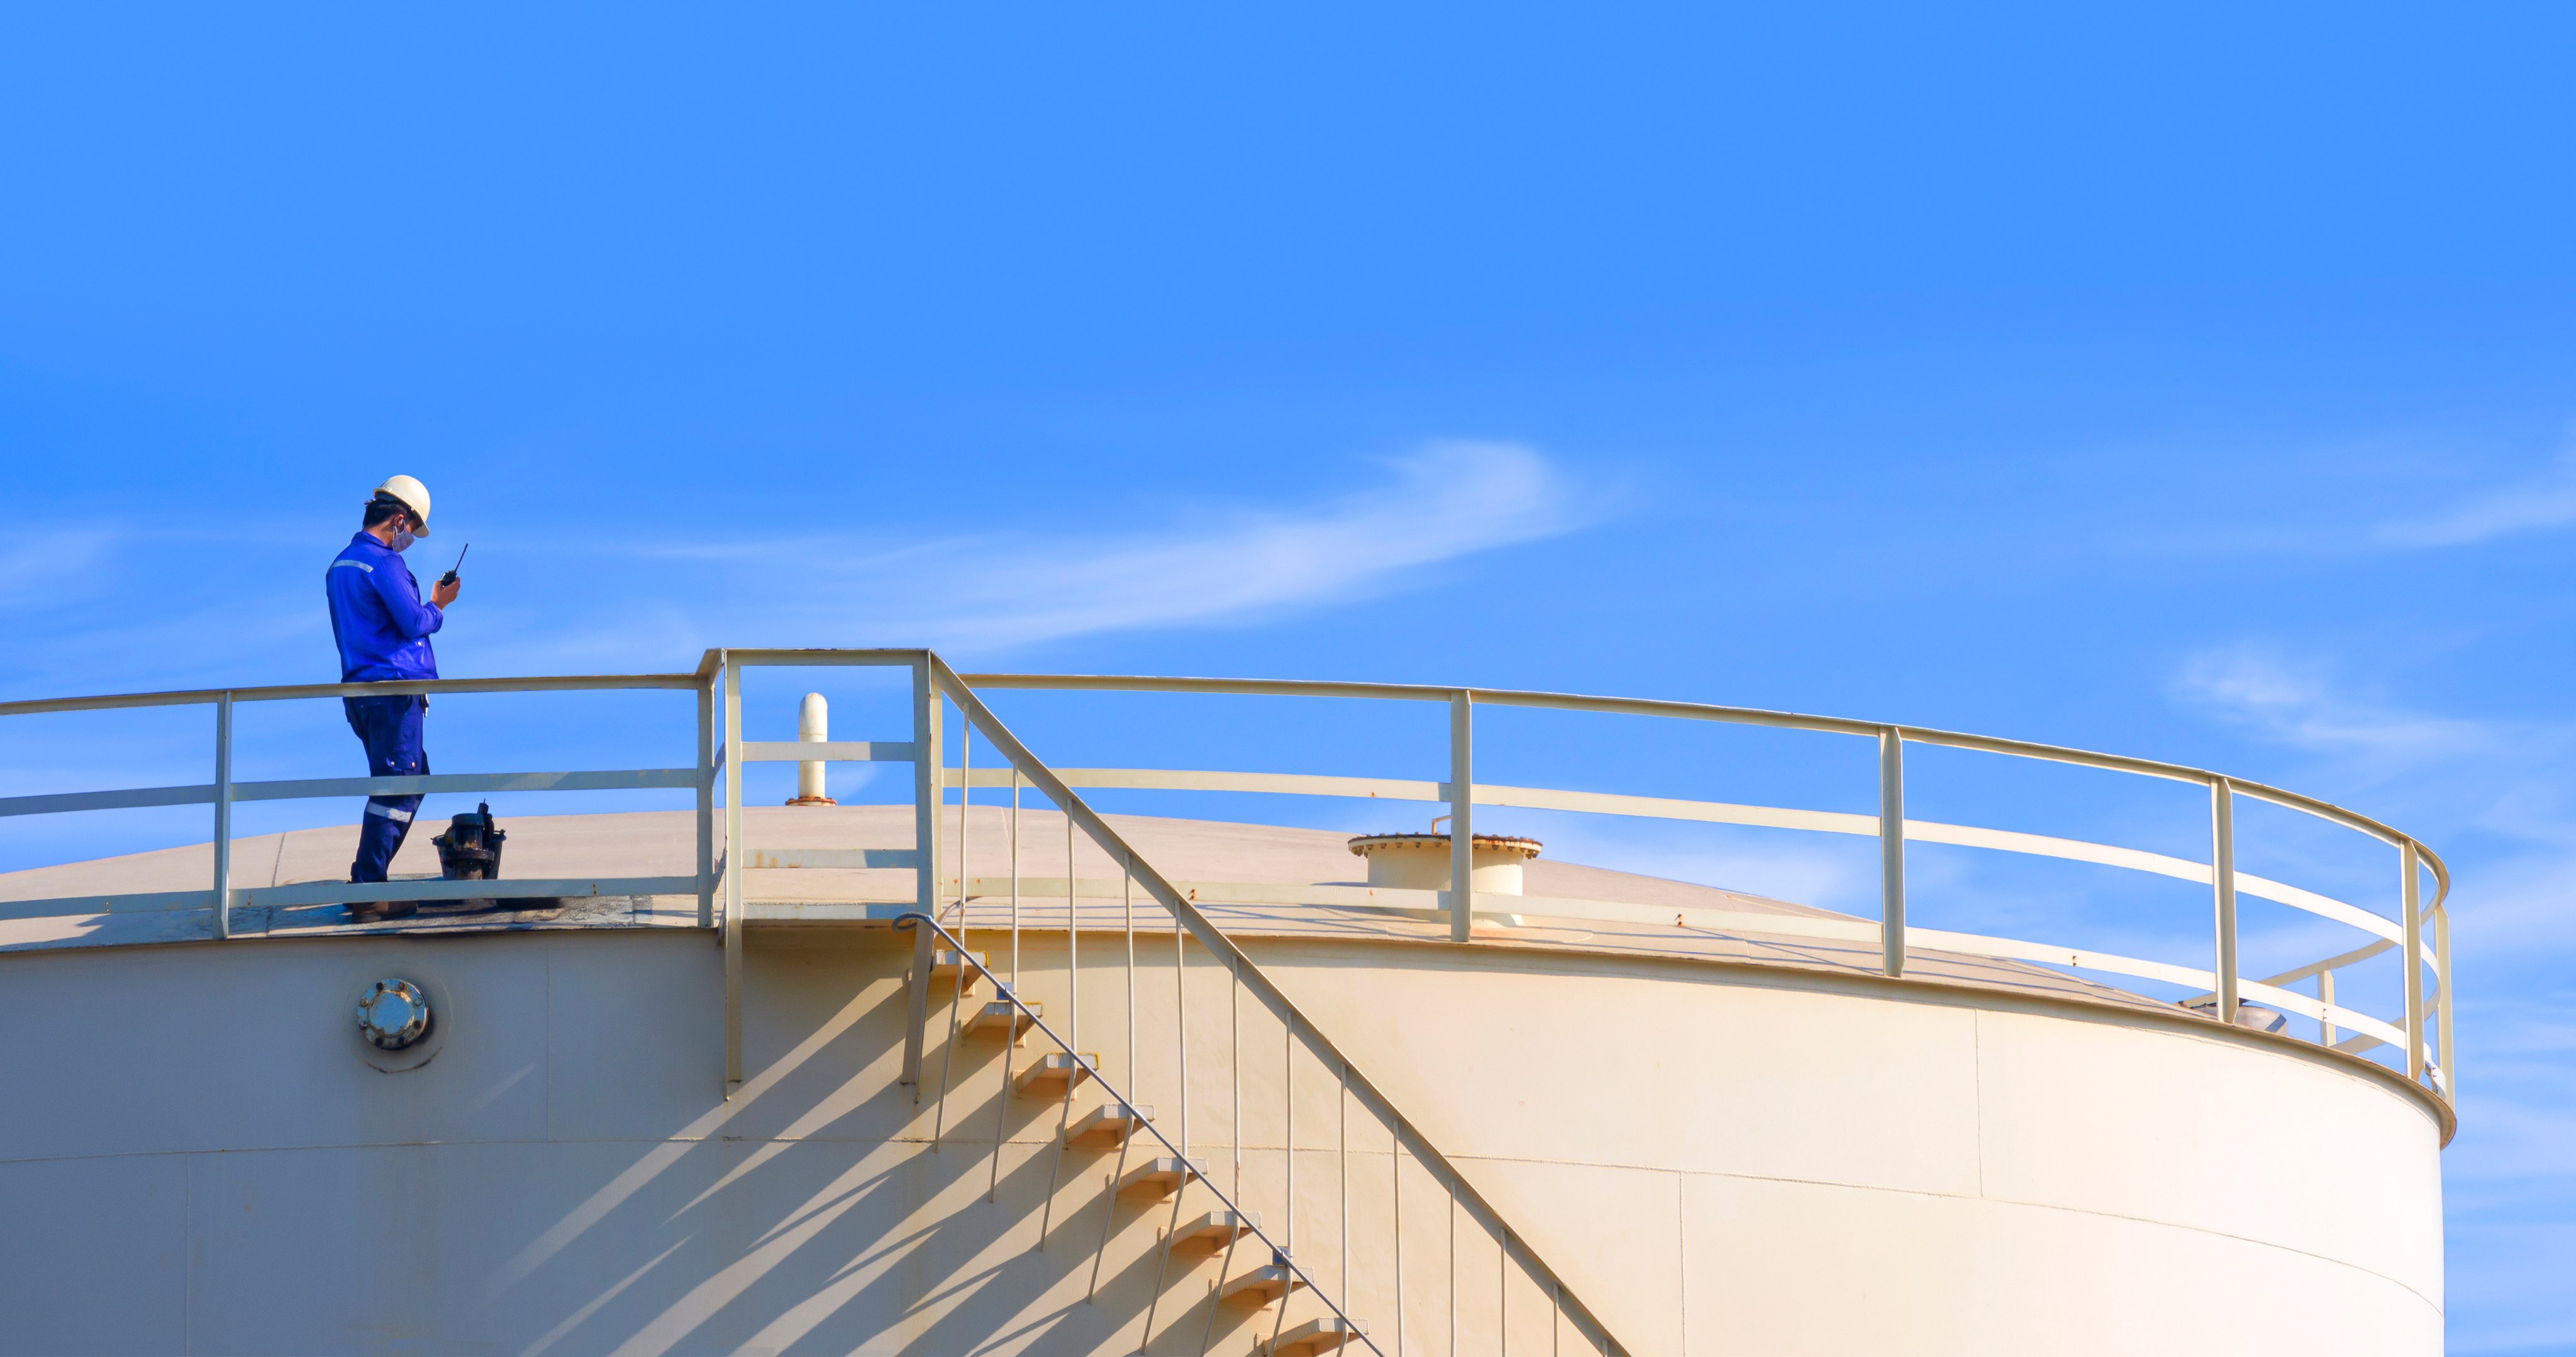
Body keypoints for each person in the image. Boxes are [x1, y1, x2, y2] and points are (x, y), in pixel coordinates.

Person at [324, 475, 458, 922]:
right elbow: (413, 622)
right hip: (394, 690)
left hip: (360, 692)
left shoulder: (341, 565)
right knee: (400, 785)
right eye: (412, 528)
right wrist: (439, 604)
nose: (410, 538)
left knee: (407, 778)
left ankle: (370, 882)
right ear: (400, 519)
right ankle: (368, 886)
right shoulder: (383, 563)